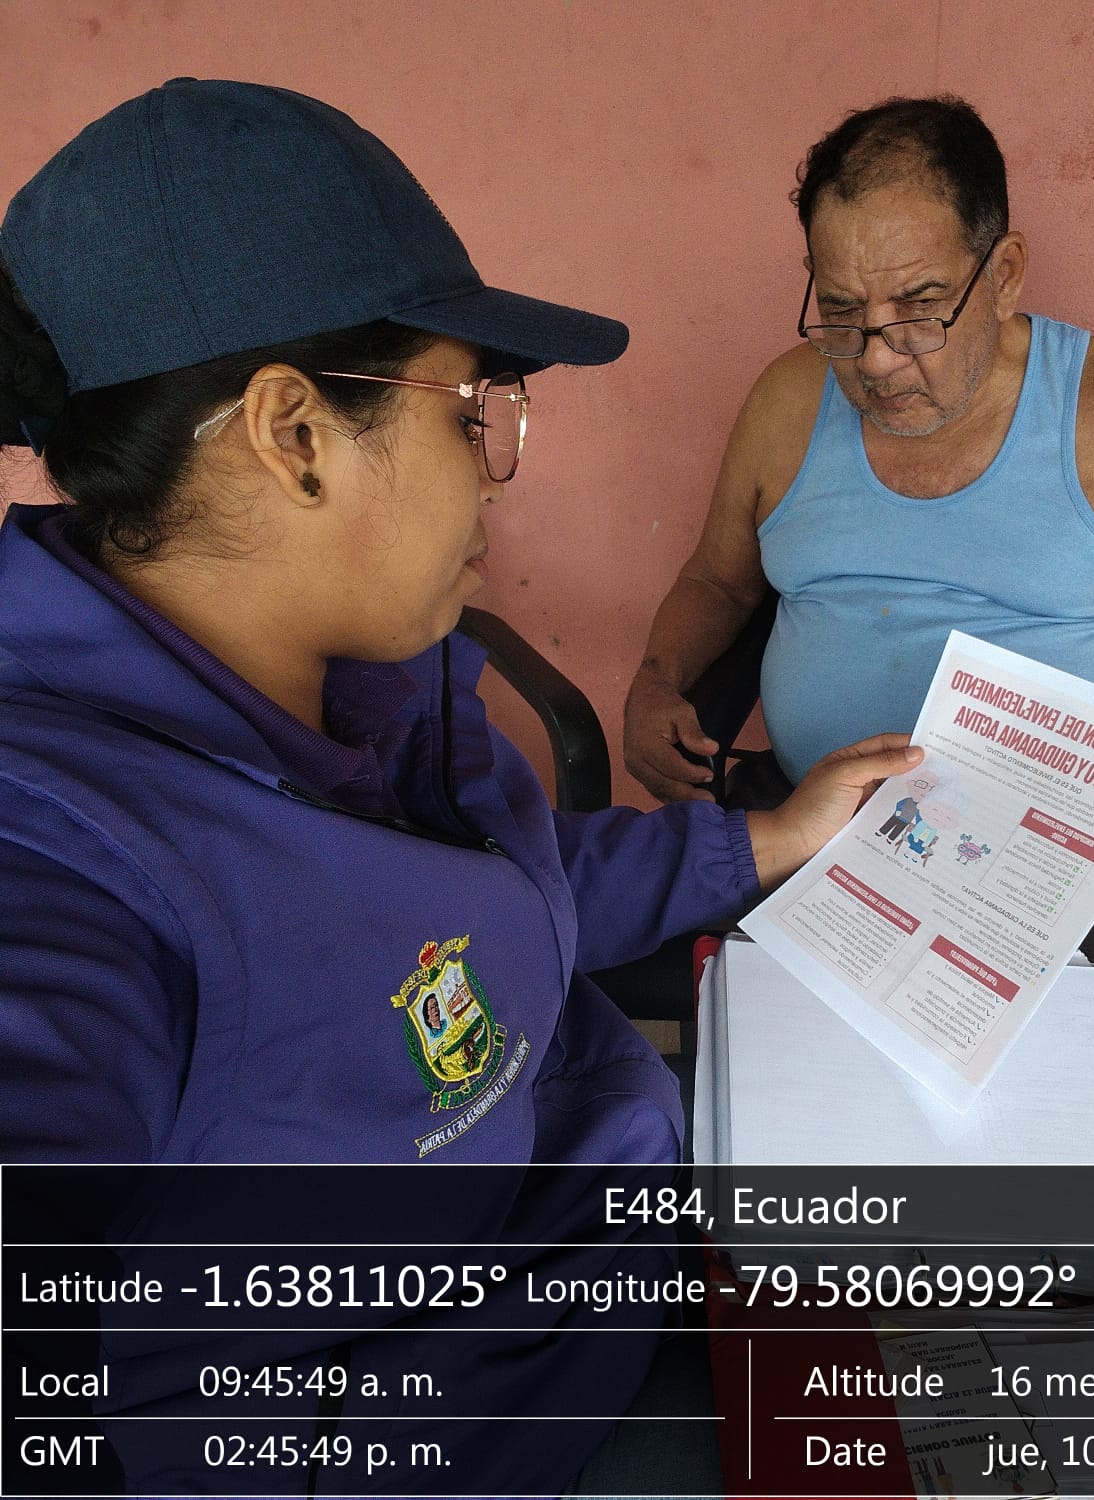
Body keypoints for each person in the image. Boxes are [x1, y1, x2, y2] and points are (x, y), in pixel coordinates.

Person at [0, 78, 917, 1497]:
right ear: (294, 434)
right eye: (471, 411)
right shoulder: (69, 862)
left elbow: (509, 891)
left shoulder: (365, 683)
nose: (495, 477)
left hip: (616, 1239)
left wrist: (764, 840)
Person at [624, 95, 1094, 1051]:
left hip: (1036, 852)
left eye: (918, 309)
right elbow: (718, 583)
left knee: (1051, 1086)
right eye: (841, 312)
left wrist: (1055, 811)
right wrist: (657, 680)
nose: (875, 360)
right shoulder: (789, 399)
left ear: (1004, 274)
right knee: (772, 1075)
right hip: (811, 820)